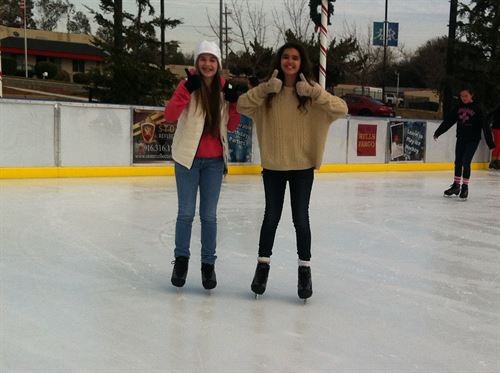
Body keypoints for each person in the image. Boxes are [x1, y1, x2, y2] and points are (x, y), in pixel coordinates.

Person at [236, 42, 348, 300]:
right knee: (271, 217)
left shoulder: (310, 93)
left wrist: (315, 92)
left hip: (302, 168)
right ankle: (262, 268)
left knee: (300, 219)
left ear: (301, 62)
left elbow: (342, 108)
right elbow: (242, 105)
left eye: (295, 58)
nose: (290, 62)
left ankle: (304, 271)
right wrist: (265, 88)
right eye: (285, 57)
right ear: (279, 60)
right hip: (273, 166)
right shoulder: (268, 92)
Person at [164, 40, 240, 290]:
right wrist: (186, 89)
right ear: (197, 61)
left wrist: (234, 103)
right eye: (203, 59)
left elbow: (231, 126)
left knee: (209, 216)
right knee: (185, 213)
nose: (207, 64)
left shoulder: (224, 88)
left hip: (214, 162)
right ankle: (181, 261)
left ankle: (208, 265)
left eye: (212, 59)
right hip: (187, 159)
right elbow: (170, 116)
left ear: (218, 64)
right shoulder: (188, 85)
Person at [433, 87, 495, 199]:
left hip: (473, 140)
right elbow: (449, 120)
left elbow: (485, 126)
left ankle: (465, 187)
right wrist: (438, 132)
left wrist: (490, 143)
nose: (463, 98)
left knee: (466, 162)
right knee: (458, 162)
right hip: (461, 138)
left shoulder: (478, 108)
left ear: (472, 95)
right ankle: (456, 186)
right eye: (462, 96)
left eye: (466, 96)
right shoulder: (459, 107)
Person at [487, 104, 500, 169]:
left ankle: (497, 160)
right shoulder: (498, 107)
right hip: (497, 127)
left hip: (497, 127)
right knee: (498, 144)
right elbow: (490, 114)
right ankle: (493, 161)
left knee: (499, 144)